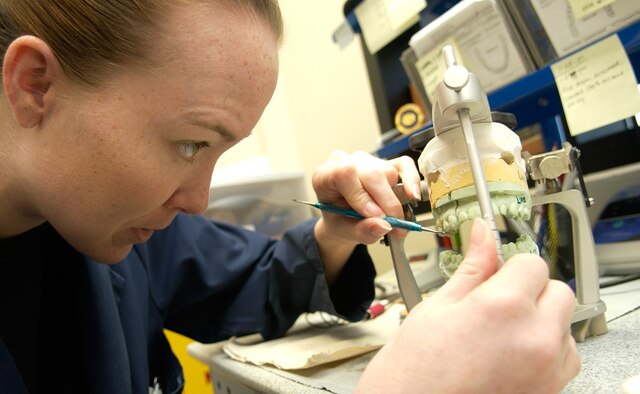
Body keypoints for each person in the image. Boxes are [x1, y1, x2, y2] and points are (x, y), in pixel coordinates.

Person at [0, 0, 578, 393]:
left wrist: (336, 231)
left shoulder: (107, 224)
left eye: (217, 152)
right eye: (189, 144)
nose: (198, 200)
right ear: (35, 85)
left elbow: (255, 278)